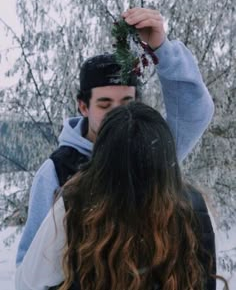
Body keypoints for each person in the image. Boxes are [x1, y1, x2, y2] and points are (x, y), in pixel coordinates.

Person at [16, 7, 215, 265]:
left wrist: (161, 48)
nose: (116, 113)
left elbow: (195, 112)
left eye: (125, 102)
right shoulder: (57, 171)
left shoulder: (152, 149)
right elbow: (29, 267)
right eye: (105, 104)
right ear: (84, 107)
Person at [15, 102, 216, 290]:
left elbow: (28, 281)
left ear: (102, 157)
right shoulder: (193, 207)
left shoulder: (75, 204)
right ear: (167, 159)